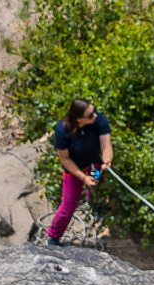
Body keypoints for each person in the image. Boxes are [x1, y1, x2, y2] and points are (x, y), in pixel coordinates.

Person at [45, 98, 111, 247]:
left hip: (94, 165)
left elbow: (106, 143)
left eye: (94, 110)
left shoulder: (99, 120)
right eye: (90, 115)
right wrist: (83, 177)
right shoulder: (62, 131)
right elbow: (65, 159)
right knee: (67, 207)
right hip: (74, 170)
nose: (95, 115)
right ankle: (53, 236)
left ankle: (93, 204)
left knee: (95, 183)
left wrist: (107, 159)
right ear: (79, 119)